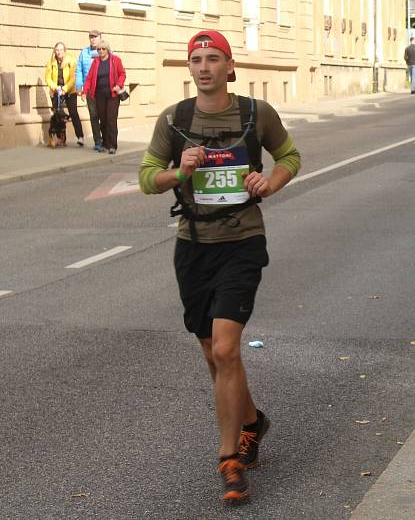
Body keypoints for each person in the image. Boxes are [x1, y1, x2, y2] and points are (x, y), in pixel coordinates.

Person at [138, 30, 301, 505]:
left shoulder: (255, 114)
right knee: (214, 354)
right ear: (189, 69)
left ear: (230, 67)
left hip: (242, 241)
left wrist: (270, 181)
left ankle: (230, 460)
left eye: (213, 59)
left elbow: (290, 155)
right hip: (193, 246)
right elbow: (148, 178)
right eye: (196, 60)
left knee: (227, 348)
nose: (204, 67)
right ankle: (253, 422)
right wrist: (179, 171)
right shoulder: (175, 119)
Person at [83, 39, 125, 154]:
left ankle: (112, 145)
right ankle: (105, 143)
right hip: (99, 96)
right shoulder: (96, 62)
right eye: (99, 49)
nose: (100, 51)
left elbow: (122, 74)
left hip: (112, 95)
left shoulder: (115, 60)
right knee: (103, 120)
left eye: (103, 49)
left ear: (107, 50)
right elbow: (89, 78)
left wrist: (119, 85)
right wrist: (84, 92)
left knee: (111, 120)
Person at [44, 42, 85, 146]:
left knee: (73, 113)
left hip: (69, 90)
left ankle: (80, 136)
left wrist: (65, 89)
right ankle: (59, 138)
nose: (59, 52)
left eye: (61, 50)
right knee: (58, 114)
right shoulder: (51, 62)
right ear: (55, 51)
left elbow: (74, 78)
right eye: (57, 50)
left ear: (65, 51)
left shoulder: (71, 61)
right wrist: (55, 87)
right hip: (56, 91)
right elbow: (47, 78)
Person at [76, 30, 103, 151]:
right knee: (93, 115)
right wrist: (79, 87)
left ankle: (106, 139)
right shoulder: (84, 53)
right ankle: (97, 141)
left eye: (95, 37)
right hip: (90, 89)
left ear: (100, 38)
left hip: (103, 89)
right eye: (91, 37)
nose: (93, 39)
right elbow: (79, 70)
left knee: (104, 116)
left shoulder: (106, 51)